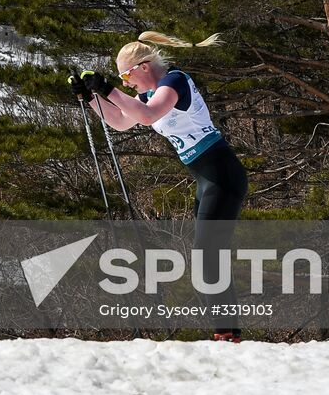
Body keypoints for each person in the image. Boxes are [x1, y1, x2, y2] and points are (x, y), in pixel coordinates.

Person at [75, 30, 249, 342]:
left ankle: (228, 333)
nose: (126, 82)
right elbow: (119, 120)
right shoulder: (146, 95)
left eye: (126, 75)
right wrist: (90, 97)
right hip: (207, 179)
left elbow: (148, 116)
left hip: (222, 174)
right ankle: (227, 331)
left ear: (143, 67)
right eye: (121, 78)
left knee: (207, 254)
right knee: (208, 256)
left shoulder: (175, 81)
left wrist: (107, 88)